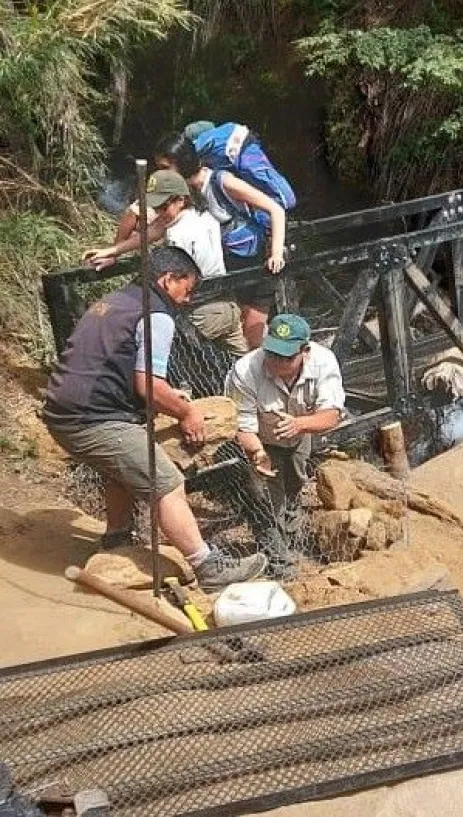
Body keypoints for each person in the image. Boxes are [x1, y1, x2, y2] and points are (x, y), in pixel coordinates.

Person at [42, 246, 268, 591]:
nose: (187, 299)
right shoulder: (156, 314)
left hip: (65, 410)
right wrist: (186, 411)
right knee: (167, 483)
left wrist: (166, 399)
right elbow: (148, 384)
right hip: (91, 418)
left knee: (123, 468)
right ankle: (207, 566)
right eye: (187, 289)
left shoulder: (116, 300)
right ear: (168, 279)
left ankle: (117, 540)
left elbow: (122, 369)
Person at [225, 314, 345, 574]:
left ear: (305, 350)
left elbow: (332, 414)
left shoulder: (324, 362)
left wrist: (300, 425)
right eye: (272, 354)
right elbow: (242, 425)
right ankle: (279, 563)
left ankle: (289, 541)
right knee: (264, 499)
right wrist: (257, 452)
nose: (276, 363)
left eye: (286, 357)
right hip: (259, 440)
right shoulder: (245, 370)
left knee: (292, 489)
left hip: (300, 436)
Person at [84, 170, 248, 355]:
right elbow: (153, 232)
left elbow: (176, 280)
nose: (158, 212)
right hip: (227, 303)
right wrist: (112, 251)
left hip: (201, 311)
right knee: (241, 360)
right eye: (155, 207)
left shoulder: (179, 235)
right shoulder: (201, 214)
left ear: (180, 200)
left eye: (162, 206)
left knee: (168, 355)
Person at [154, 133, 288, 349]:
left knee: (253, 337)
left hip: (257, 263)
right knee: (242, 336)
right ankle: (255, 377)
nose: (160, 174)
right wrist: (114, 250)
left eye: (164, 167)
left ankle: (274, 372)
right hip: (230, 270)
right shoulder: (185, 193)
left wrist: (276, 253)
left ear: (180, 163)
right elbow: (158, 225)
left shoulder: (222, 181)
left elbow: (275, 209)